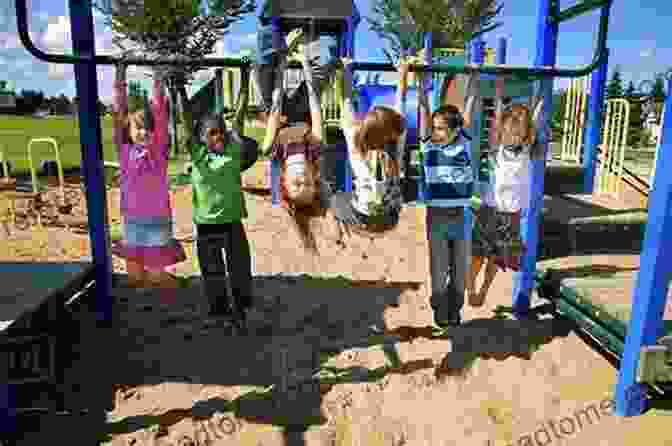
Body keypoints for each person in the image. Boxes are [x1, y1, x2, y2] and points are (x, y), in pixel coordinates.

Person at [190, 63, 260, 327]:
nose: (218, 135)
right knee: (212, 272)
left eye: (220, 131)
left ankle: (242, 307)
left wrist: (243, 77)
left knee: (239, 268)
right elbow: (187, 120)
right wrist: (179, 89)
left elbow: (239, 112)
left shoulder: (232, 152)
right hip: (206, 226)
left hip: (232, 223)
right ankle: (219, 311)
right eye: (212, 133)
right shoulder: (198, 156)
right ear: (201, 138)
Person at [112, 64, 186, 289]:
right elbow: (118, 115)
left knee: (155, 275)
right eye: (138, 128)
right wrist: (120, 77)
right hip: (132, 217)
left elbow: (160, 115)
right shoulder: (125, 151)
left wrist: (158, 81)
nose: (144, 132)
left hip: (156, 218)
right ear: (129, 131)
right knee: (134, 275)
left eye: (148, 128)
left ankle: (159, 278)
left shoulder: (158, 151)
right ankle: (145, 281)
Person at [416, 63, 478, 327]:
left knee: (461, 270)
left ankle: (456, 308)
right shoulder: (427, 144)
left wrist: (473, 76)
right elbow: (423, 111)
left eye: (441, 128)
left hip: (462, 216)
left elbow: (471, 108)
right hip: (437, 217)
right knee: (439, 270)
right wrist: (421, 85)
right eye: (434, 127)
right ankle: (440, 309)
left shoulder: (466, 144)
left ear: (455, 130)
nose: (436, 132)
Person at [263, 37, 331, 254]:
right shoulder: (315, 147)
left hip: (278, 106)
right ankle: (310, 44)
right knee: (327, 55)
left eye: (296, 187)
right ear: (315, 181)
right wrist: (305, 66)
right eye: (309, 187)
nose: (303, 183)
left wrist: (282, 65)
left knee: (260, 65)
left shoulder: (273, 151)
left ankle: (278, 42)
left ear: (283, 183)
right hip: (304, 107)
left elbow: (274, 110)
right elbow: (315, 106)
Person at [329, 57, 408, 238]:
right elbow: (401, 102)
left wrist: (346, 72)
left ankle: (339, 228)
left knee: (335, 197)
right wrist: (403, 71)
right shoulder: (396, 145)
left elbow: (346, 103)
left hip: (362, 218)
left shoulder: (356, 144)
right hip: (391, 219)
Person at [489, 97, 545, 274]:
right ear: (503, 134)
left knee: (513, 234)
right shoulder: (498, 149)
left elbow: (533, 127)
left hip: (515, 204)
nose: (514, 138)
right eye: (510, 135)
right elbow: (498, 123)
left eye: (518, 135)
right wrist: (498, 94)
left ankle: (509, 259)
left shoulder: (525, 149)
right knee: (502, 233)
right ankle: (501, 256)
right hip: (499, 202)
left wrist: (540, 104)